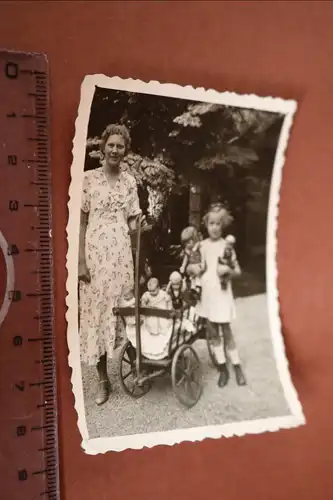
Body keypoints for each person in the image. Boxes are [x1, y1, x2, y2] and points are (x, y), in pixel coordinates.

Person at [78, 124, 141, 405]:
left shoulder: (130, 182)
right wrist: (80, 261)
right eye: (111, 145)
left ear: (125, 150)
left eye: (120, 146)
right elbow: (79, 223)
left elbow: (132, 220)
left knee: (124, 311)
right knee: (97, 315)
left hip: (121, 258)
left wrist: (140, 228)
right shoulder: (87, 180)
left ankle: (138, 368)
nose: (115, 150)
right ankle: (103, 381)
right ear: (103, 147)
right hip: (94, 259)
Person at [196, 203, 246, 388]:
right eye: (211, 223)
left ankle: (237, 366)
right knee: (213, 333)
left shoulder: (227, 246)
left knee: (227, 331)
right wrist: (194, 269)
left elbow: (238, 271)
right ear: (206, 225)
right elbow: (199, 267)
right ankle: (223, 368)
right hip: (208, 294)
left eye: (218, 224)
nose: (215, 227)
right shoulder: (202, 246)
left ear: (222, 225)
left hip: (222, 293)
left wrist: (227, 270)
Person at [179, 226, 206, 301]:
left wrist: (203, 262)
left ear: (194, 239)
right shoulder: (188, 250)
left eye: (189, 242)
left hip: (198, 265)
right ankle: (193, 289)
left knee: (198, 276)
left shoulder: (199, 247)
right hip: (191, 266)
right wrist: (183, 266)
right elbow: (186, 258)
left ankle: (198, 287)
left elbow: (204, 255)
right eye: (186, 243)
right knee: (192, 277)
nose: (187, 244)